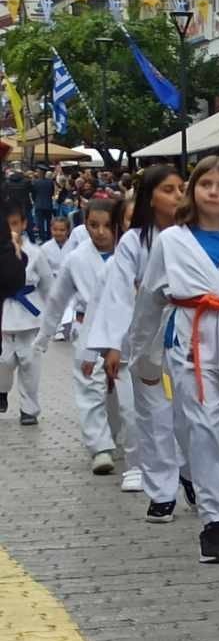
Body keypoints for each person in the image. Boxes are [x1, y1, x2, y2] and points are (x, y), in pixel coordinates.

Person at [125, 156, 219, 565]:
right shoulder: (171, 241)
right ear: (193, 190)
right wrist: (142, 353)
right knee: (203, 427)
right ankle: (216, 521)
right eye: (207, 184)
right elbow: (150, 299)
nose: (214, 192)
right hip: (190, 339)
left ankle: (218, 493)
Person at [88, 165, 190, 520]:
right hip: (145, 336)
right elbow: (117, 295)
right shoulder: (134, 241)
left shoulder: (194, 232)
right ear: (150, 197)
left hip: (191, 334)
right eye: (168, 189)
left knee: (192, 416)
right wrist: (113, 345)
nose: (178, 195)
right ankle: (162, 490)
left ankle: (190, 471)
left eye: (181, 188)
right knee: (154, 415)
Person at [32, 199, 123, 474]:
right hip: (88, 329)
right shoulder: (77, 258)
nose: (100, 232)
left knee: (120, 393)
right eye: (93, 225)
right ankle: (100, 447)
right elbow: (57, 300)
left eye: (107, 225)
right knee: (89, 386)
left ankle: (120, 438)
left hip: (123, 332)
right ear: (85, 225)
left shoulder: (130, 252)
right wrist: (44, 336)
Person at [1, 209, 42, 424]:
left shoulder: (35, 252)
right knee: (4, 360)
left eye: (15, 224)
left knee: (29, 362)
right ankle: (2, 389)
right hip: (5, 310)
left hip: (29, 313)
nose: (11, 230)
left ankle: (29, 410)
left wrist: (52, 316)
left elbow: (47, 283)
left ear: (24, 224)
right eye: (6, 225)